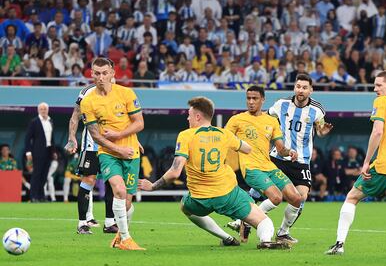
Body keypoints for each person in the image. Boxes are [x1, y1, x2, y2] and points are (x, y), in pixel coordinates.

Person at [139, 97, 289, 249]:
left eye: (189, 114)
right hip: (228, 194)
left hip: (200, 198)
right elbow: (247, 149)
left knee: (185, 206)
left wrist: (152, 186)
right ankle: (265, 241)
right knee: (264, 221)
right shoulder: (224, 134)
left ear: (198, 116)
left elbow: (174, 172)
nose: (187, 117)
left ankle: (227, 238)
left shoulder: (186, 135)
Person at [326, 71, 386, 255]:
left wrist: (366, 162)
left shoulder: (381, 102)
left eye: (379, 85)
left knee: (352, 196)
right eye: (374, 85)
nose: (375, 89)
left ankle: (339, 245)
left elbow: (377, 132)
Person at [80, 57, 145, 250]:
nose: (101, 77)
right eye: (97, 73)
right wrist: (118, 149)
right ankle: (126, 239)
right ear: (92, 74)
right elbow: (95, 136)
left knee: (126, 202)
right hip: (107, 152)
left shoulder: (126, 93)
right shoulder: (88, 102)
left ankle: (118, 236)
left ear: (112, 73)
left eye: (105, 73)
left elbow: (139, 123)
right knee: (119, 190)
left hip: (131, 152)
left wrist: (120, 136)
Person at [225, 86, 302, 242]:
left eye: (255, 98)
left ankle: (281, 233)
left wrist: (290, 152)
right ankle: (247, 220)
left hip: (269, 167)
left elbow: (280, 149)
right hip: (251, 168)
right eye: (248, 98)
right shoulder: (237, 119)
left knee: (296, 198)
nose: (251, 102)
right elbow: (223, 139)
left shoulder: (271, 121)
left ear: (263, 100)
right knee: (276, 197)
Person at [267, 73, 333, 244]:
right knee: (260, 191)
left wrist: (322, 132)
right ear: (294, 88)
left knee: (301, 197)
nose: (300, 90)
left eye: (304, 87)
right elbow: (266, 119)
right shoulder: (281, 104)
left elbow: (320, 129)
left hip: (302, 160)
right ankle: (243, 220)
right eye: (298, 86)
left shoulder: (317, 110)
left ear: (311, 90)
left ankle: (283, 232)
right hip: (278, 156)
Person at [64, 81, 118, 235]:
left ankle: (110, 223)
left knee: (112, 181)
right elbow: (76, 115)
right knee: (89, 180)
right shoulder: (88, 91)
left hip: (111, 145)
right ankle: (82, 223)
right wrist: (71, 138)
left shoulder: (120, 93)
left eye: (107, 74)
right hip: (91, 145)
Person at [24, 102, 54, 202]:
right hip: (37, 152)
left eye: (45, 109)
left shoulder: (50, 121)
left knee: (44, 175)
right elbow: (28, 138)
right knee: (36, 174)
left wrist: (53, 151)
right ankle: (33, 196)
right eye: (41, 109)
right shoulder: (34, 122)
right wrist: (28, 152)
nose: (43, 111)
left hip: (48, 152)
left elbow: (51, 138)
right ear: (38, 111)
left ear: (48, 110)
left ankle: (41, 196)